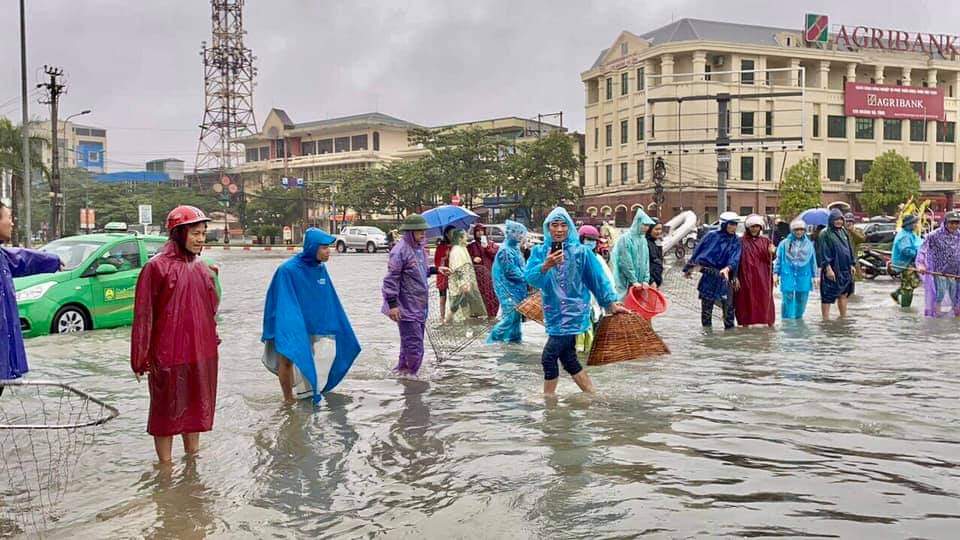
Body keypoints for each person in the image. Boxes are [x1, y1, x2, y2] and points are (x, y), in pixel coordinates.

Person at [131, 206, 220, 463]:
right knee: (165, 414)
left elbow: (209, 312)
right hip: (167, 356)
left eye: (203, 233)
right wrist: (140, 357)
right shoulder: (156, 267)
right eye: (195, 233)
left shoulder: (203, 268)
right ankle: (165, 470)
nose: (201, 239)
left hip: (200, 353)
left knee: (194, 410)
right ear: (179, 233)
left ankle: (192, 463)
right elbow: (143, 315)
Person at [525, 207, 628, 396]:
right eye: (554, 225)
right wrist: (545, 265)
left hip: (574, 312)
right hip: (553, 311)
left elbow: (597, 280)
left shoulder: (582, 252)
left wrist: (611, 303)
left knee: (548, 357)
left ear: (570, 228)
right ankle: (592, 395)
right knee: (569, 359)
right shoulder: (539, 252)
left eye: (563, 225)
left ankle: (549, 401)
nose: (559, 230)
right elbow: (530, 278)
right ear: (548, 228)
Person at [261, 228, 361, 403]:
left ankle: (306, 393)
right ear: (312, 247)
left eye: (328, 247)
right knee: (288, 358)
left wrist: (335, 323)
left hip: (309, 323)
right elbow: (279, 300)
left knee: (309, 355)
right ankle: (288, 400)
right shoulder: (287, 270)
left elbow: (327, 298)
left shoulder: (320, 269)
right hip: (288, 323)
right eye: (323, 247)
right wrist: (289, 327)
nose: (328, 251)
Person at [0, 202, 62, 397]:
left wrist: (51, 260)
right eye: (8, 217)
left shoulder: (2, 256)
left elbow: (22, 259)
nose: (11, 223)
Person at [382, 214, 448, 376]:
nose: (423, 234)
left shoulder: (419, 249)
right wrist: (393, 305)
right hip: (406, 307)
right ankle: (413, 381)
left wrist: (436, 269)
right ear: (410, 232)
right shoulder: (400, 251)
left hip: (419, 306)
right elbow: (391, 280)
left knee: (408, 344)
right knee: (414, 346)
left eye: (424, 230)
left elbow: (420, 271)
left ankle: (403, 374)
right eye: (419, 231)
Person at [683, 212, 742, 329]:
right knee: (706, 311)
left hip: (725, 278)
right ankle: (707, 338)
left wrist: (728, 268)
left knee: (729, 311)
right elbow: (698, 251)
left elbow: (736, 258)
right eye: (731, 224)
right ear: (724, 224)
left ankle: (729, 337)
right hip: (709, 276)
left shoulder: (736, 240)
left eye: (735, 224)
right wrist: (688, 268)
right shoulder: (711, 236)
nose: (733, 227)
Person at [576, 224, 616, 353]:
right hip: (576, 306)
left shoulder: (598, 259)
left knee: (593, 338)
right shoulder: (574, 257)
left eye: (594, 240)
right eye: (588, 239)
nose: (591, 243)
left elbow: (607, 280)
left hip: (596, 306)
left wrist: (612, 300)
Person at [487, 220, 528, 343]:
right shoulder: (505, 250)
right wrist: (527, 278)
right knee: (509, 317)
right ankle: (491, 341)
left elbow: (522, 267)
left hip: (517, 289)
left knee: (516, 317)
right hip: (507, 289)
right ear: (511, 233)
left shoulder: (514, 249)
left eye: (522, 233)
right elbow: (510, 271)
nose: (521, 236)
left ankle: (514, 340)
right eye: (518, 233)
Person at [734, 214, 776, 327]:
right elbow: (735, 260)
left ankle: (767, 323)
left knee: (764, 300)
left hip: (763, 277)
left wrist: (773, 252)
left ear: (760, 227)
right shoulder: (739, 241)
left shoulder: (766, 241)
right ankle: (745, 325)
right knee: (745, 301)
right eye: (752, 226)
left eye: (757, 226)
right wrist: (735, 276)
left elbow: (770, 259)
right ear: (748, 227)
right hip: (745, 276)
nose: (755, 229)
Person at [916, 211, 960, 318]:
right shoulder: (934, 235)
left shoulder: (959, 235)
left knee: (956, 296)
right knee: (939, 294)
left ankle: (956, 316)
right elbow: (923, 250)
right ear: (945, 222)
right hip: (938, 272)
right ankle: (936, 316)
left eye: (957, 223)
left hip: (955, 273)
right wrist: (921, 264)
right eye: (951, 223)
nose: (954, 225)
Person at [774, 219, 817, 320]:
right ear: (792, 230)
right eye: (796, 230)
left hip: (804, 274)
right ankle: (787, 321)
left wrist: (815, 276)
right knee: (787, 298)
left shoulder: (809, 244)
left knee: (802, 298)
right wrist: (775, 273)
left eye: (801, 229)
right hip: (788, 273)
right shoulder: (784, 243)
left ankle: (798, 318)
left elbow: (813, 260)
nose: (799, 232)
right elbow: (779, 259)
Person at [817, 208, 855, 319]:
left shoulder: (843, 231)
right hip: (832, 269)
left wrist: (852, 264)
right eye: (836, 219)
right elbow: (823, 252)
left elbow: (849, 248)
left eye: (840, 219)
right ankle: (825, 320)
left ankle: (843, 317)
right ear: (831, 220)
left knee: (843, 294)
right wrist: (828, 268)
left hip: (845, 269)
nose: (839, 222)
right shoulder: (825, 234)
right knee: (827, 295)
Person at [610, 209, 656, 298]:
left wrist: (646, 279)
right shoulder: (625, 239)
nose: (647, 228)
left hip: (640, 284)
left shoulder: (643, 240)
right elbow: (625, 261)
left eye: (648, 226)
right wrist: (633, 280)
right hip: (625, 282)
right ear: (638, 223)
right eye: (645, 225)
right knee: (625, 304)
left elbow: (646, 261)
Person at [446, 229, 487, 322]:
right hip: (461, 285)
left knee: (464, 308)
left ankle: (454, 325)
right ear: (460, 238)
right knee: (457, 307)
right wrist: (462, 283)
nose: (467, 238)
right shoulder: (456, 251)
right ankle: (448, 324)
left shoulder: (462, 248)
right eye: (465, 236)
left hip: (466, 283)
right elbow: (459, 269)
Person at [890, 214, 922, 308]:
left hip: (909, 263)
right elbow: (906, 250)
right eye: (915, 223)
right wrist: (918, 253)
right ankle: (905, 308)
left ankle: (897, 294)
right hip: (904, 264)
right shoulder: (904, 236)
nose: (916, 225)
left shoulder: (910, 234)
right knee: (909, 285)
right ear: (910, 224)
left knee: (913, 283)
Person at [467, 223, 499, 317]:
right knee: (479, 295)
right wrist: (473, 259)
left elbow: (495, 255)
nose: (480, 233)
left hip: (490, 274)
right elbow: (467, 258)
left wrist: (487, 248)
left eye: (482, 231)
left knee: (492, 295)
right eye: (477, 231)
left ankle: (491, 315)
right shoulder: (472, 246)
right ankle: (477, 314)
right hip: (478, 276)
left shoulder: (491, 244)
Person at [434, 226, 456, 320]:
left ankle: (451, 317)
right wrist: (444, 258)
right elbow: (437, 262)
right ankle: (442, 317)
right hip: (443, 275)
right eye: (451, 233)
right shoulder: (441, 246)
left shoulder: (456, 246)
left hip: (453, 274)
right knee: (442, 297)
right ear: (446, 234)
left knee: (453, 297)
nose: (453, 235)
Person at [646, 219, 664, 288]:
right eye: (656, 229)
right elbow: (643, 265)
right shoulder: (645, 243)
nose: (659, 232)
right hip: (650, 284)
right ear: (650, 229)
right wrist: (651, 280)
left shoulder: (654, 242)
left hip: (656, 282)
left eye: (660, 229)